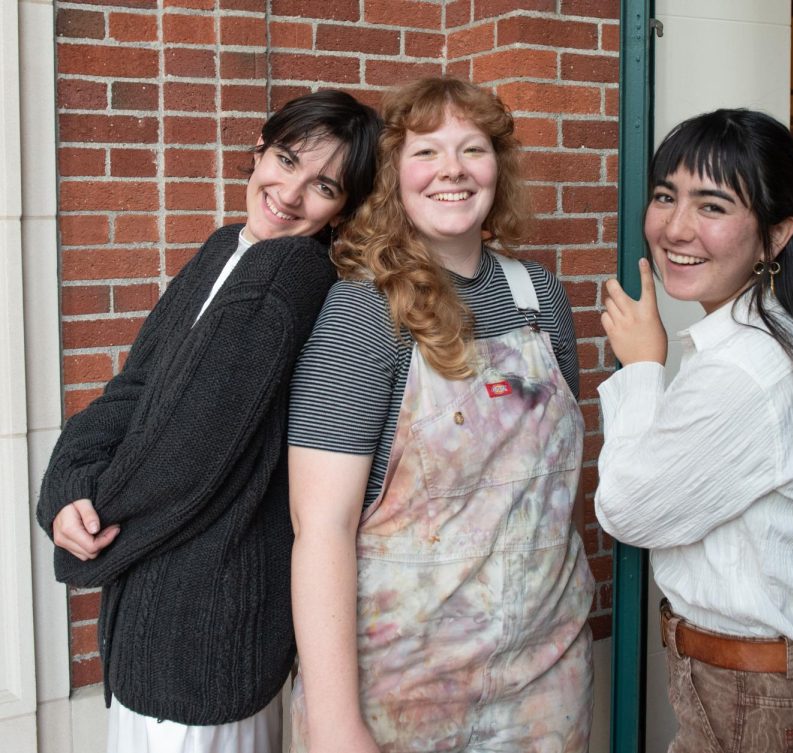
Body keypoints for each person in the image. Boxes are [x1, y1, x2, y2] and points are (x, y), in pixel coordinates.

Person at [35, 89, 382, 753]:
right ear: (258, 150)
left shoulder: (287, 277)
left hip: (205, 631)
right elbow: (134, 386)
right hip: (162, 621)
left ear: (344, 207)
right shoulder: (230, 247)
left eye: (324, 185)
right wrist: (67, 484)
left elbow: (183, 456)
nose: (289, 191)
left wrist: (93, 519)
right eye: (285, 159)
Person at [286, 76, 594, 753]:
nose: (451, 170)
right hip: (402, 690)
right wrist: (339, 726)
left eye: (472, 149)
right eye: (426, 152)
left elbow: (552, 490)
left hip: (546, 681)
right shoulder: (364, 313)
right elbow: (321, 526)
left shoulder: (541, 296)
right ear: (395, 174)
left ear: (499, 168)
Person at [594, 108, 793, 753]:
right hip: (759, 677)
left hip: (757, 692)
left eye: (713, 206)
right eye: (666, 196)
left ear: (775, 236)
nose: (675, 227)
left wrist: (642, 367)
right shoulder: (782, 332)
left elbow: (627, 512)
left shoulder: (747, 368)